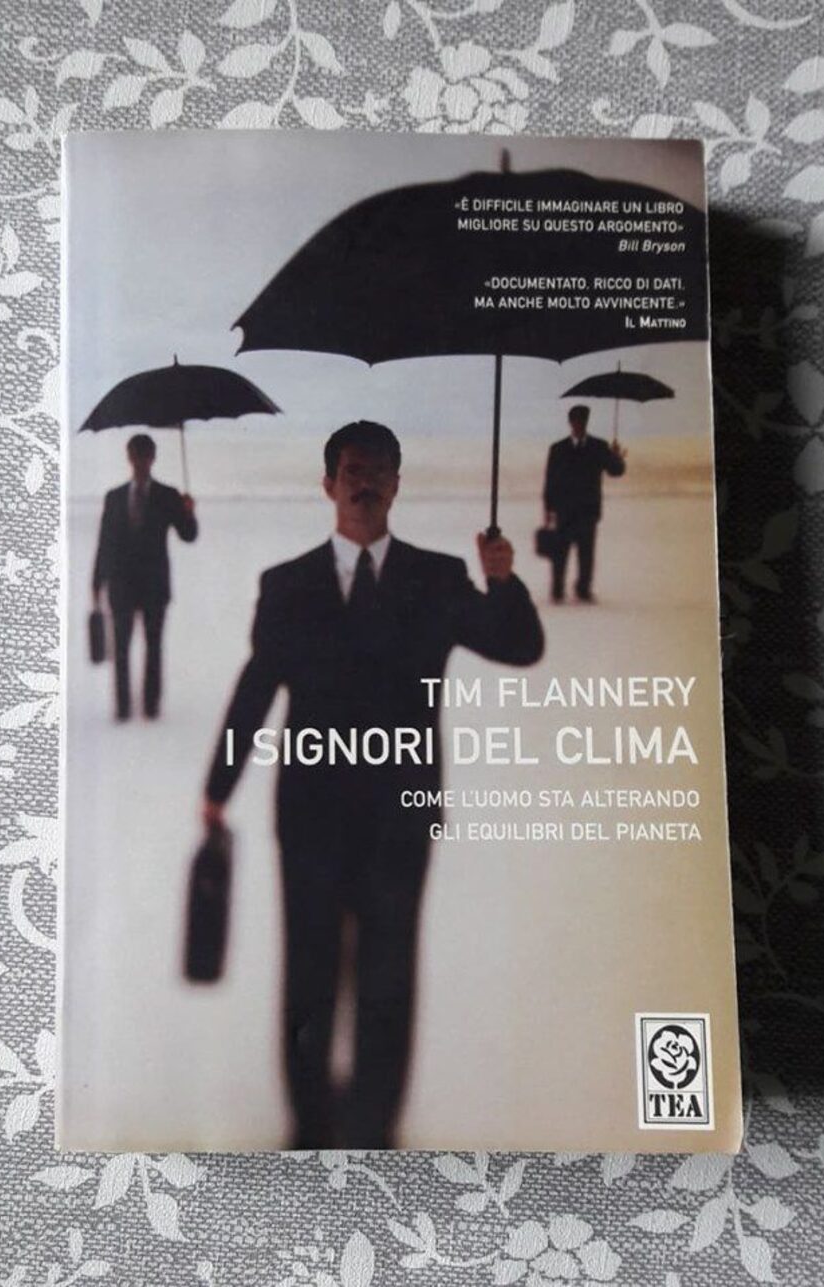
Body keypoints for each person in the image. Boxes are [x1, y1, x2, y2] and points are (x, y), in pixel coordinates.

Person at [201, 420, 543, 1148]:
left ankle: (377, 1123)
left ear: (397, 484)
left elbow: (519, 646)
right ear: (328, 484)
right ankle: (309, 1121)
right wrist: (217, 788)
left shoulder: (437, 578)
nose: (366, 483)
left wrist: (502, 580)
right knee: (310, 972)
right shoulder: (287, 584)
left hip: (401, 815)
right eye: (353, 470)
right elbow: (256, 688)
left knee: (389, 975)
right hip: (311, 815)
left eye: (380, 470)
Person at [92, 433, 197, 720]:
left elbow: (188, 535)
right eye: (136, 456)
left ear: (152, 458)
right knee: (121, 650)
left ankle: (151, 707)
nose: (140, 462)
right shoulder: (114, 497)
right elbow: (105, 543)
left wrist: (189, 512)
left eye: (145, 456)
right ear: (130, 457)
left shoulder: (168, 495)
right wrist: (97, 582)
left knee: (153, 648)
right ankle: (123, 708)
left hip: (154, 586)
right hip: (122, 585)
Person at [542, 404, 627, 604]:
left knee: (586, 554)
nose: (579, 425)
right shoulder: (558, 449)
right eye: (576, 421)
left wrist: (617, 458)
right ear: (570, 422)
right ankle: (557, 590)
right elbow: (550, 480)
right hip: (564, 510)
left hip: (588, 510)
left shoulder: (599, 447)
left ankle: (583, 590)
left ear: (586, 422)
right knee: (560, 553)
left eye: (582, 421)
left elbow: (615, 471)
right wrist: (548, 509)